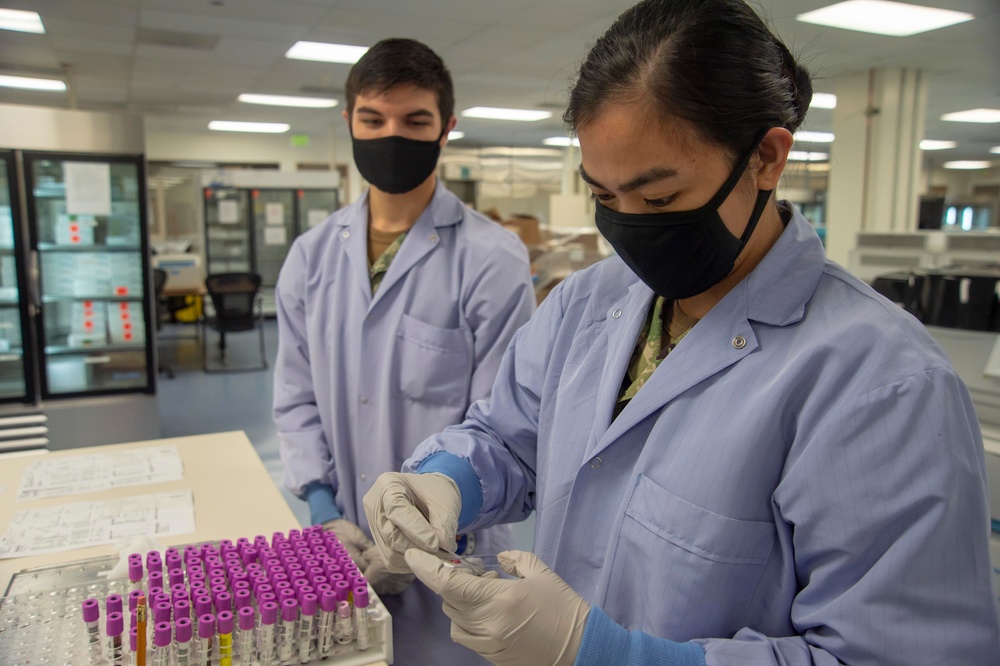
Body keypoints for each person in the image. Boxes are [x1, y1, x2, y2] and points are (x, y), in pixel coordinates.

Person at [362, 1, 1000, 664]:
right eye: (605, 197)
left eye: (659, 199)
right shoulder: (588, 303)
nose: (632, 226)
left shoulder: (880, 384)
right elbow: (510, 436)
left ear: (766, 158)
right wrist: (447, 480)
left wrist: (606, 654)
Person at [273, 37, 535, 664]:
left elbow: (500, 424)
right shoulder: (311, 257)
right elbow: (295, 395)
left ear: (446, 128)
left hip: (454, 558)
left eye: (415, 120)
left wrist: (424, 525)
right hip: (336, 553)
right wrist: (318, 508)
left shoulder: (491, 261)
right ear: (350, 124)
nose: (392, 135)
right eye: (374, 120)